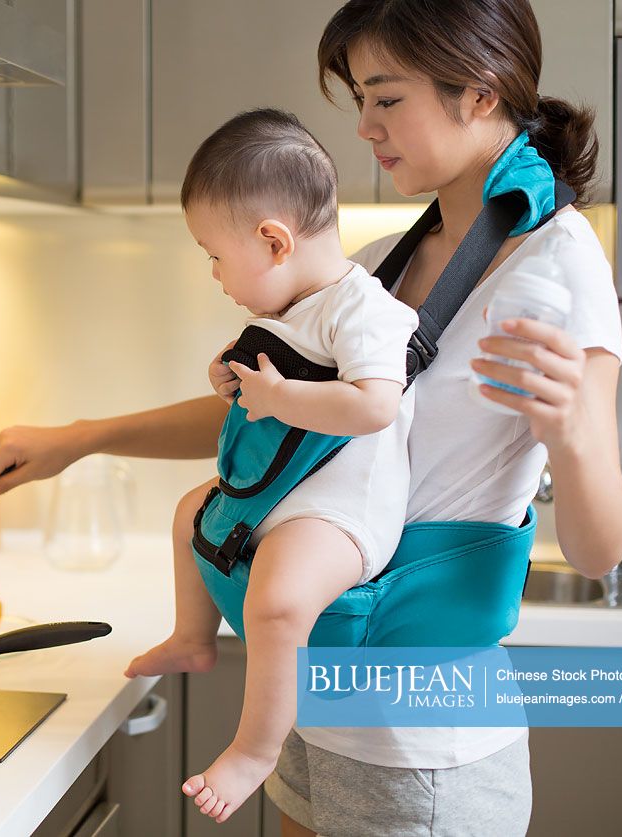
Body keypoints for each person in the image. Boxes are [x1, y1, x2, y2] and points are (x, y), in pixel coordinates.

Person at [0, 0, 622, 833]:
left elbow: (600, 551)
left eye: (386, 98)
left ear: (480, 91)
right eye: (358, 101)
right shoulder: (390, 262)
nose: (364, 128)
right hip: (313, 703)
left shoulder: (559, 266)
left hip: (421, 746)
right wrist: (77, 441)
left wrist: (574, 435)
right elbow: (286, 426)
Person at [118, 107, 419, 823]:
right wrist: (231, 381)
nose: (215, 274)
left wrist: (281, 394)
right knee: (191, 509)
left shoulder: (363, 309)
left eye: (215, 255)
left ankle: (254, 748)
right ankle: (194, 639)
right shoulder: (290, 312)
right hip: (285, 500)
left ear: (273, 240)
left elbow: (374, 405)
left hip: (342, 514)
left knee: (278, 599)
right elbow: (264, 401)